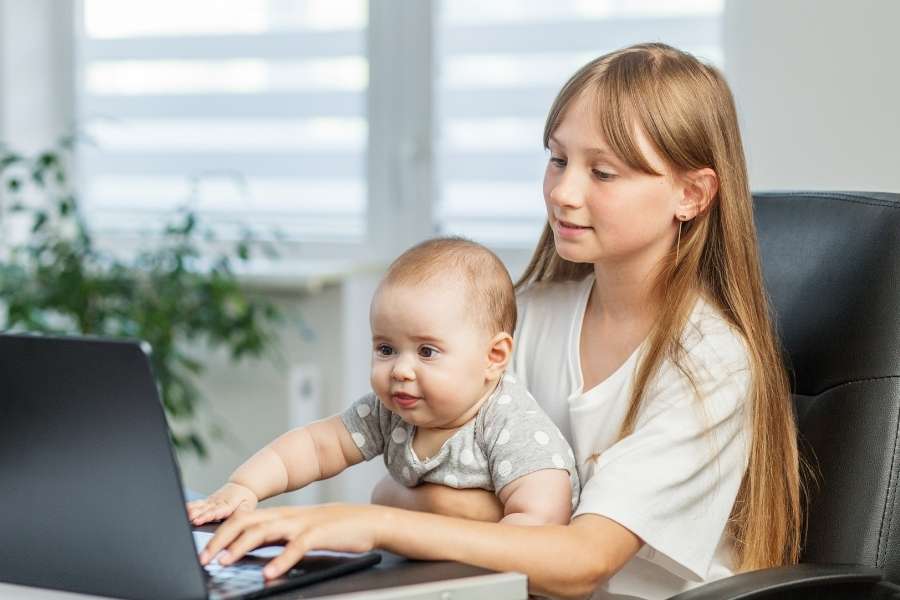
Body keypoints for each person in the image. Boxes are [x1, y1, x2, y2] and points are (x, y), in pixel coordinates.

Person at [197, 43, 804, 600]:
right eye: (558, 159)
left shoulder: (710, 363)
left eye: (603, 172)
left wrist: (378, 519)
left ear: (692, 195)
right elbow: (398, 482)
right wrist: (424, 511)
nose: (564, 192)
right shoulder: (528, 315)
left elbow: (581, 563)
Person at [188, 238, 580, 532]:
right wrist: (243, 486)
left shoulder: (509, 424)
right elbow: (314, 446)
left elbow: (541, 523)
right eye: (387, 349)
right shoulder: (388, 412)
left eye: (427, 352)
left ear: (493, 358)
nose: (401, 371)